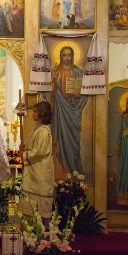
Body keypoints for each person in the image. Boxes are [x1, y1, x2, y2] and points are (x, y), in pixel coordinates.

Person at [51, 46, 87, 179]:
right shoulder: (56, 71)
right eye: (64, 55)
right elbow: (50, 93)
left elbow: (85, 93)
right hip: (60, 110)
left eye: (69, 55)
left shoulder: (78, 72)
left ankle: (75, 173)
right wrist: (54, 79)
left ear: (72, 56)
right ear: (60, 56)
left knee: (73, 144)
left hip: (72, 111)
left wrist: (79, 94)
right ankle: (61, 174)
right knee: (59, 141)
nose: (67, 58)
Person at [18, 101, 54, 229]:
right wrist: (25, 150)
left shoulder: (44, 131)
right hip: (35, 172)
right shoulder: (39, 129)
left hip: (40, 173)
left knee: (41, 208)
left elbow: (39, 151)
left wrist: (24, 155)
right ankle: (33, 233)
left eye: (35, 111)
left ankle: (44, 235)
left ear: (41, 113)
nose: (32, 114)